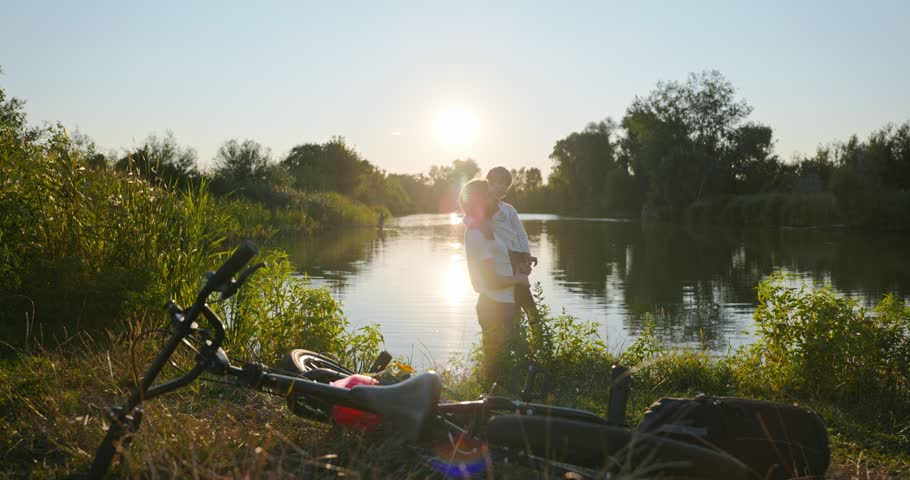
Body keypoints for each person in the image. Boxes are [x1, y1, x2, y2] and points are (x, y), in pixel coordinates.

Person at [460, 179, 530, 383]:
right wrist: (518, 279)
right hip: (494, 306)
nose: (496, 200)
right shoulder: (477, 233)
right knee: (496, 373)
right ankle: (491, 409)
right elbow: (491, 280)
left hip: (504, 303)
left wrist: (520, 265)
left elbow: (501, 260)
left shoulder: (486, 228)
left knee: (506, 369)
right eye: (491, 195)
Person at [484, 167, 538, 318]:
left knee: (526, 299)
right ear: (488, 183)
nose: (501, 187)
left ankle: (537, 336)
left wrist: (526, 253)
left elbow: (520, 233)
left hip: (517, 256)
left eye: (505, 185)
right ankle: (519, 333)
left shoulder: (509, 209)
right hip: (501, 258)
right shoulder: (485, 209)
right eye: (497, 183)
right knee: (515, 296)